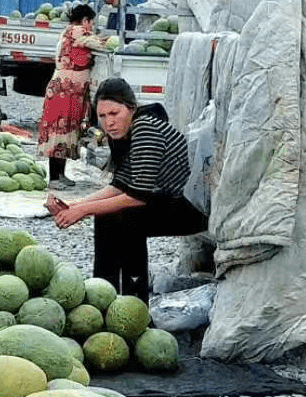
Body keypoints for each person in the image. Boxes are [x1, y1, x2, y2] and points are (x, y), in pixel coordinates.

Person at [47, 77, 204, 299]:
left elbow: (136, 196)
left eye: (114, 114)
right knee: (107, 215)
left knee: (127, 218)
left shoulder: (145, 128)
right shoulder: (128, 131)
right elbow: (119, 185)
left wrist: (82, 211)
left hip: (192, 208)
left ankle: (134, 302)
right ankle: (103, 294)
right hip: (170, 201)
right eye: (102, 116)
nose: (109, 122)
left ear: (131, 108)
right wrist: (75, 205)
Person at [37, 3, 110, 190]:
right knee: (58, 133)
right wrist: (109, 40)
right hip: (64, 91)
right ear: (85, 20)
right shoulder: (76, 31)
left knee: (68, 133)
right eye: (91, 22)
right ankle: (54, 178)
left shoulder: (72, 32)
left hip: (71, 92)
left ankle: (61, 175)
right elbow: (95, 43)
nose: (91, 26)